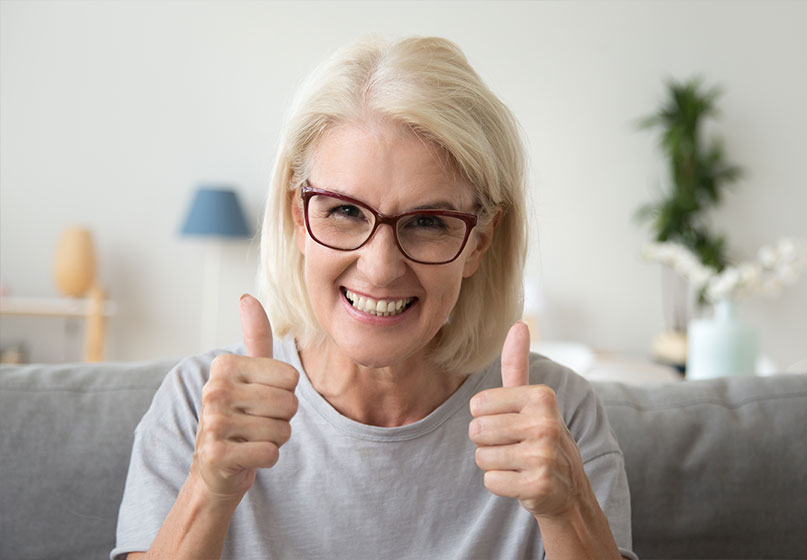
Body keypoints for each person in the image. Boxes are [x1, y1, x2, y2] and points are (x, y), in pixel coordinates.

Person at [112, 36, 637, 560]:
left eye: (428, 222)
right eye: (344, 212)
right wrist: (209, 488)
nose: (381, 268)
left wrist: (568, 511)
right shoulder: (196, 404)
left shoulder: (558, 416)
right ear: (299, 216)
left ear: (479, 241)